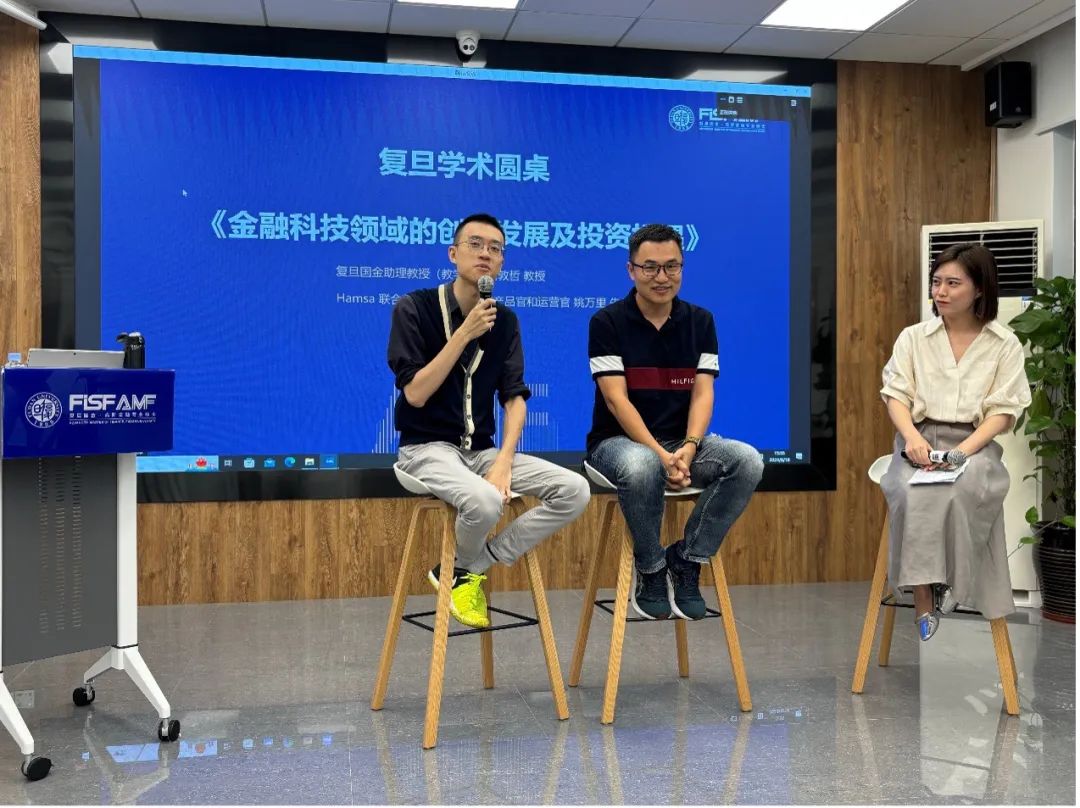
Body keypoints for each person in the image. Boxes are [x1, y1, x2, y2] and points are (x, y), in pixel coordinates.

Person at [387, 212, 590, 629]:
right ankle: (464, 572)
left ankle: (471, 566)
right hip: (425, 449)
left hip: (481, 452)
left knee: (575, 491)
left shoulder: (506, 321)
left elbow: (514, 399)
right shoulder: (413, 308)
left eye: (495, 249)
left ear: (501, 263)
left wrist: (504, 461)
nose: (485, 254)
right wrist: (464, 333)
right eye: (476, 244)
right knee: (485, 501)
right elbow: (416, 394)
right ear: (453, 253)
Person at [585, 223, 764, 620]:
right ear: (631, 270)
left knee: (747, 461)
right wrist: (659, 455)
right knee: (642, 465)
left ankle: (686, 558)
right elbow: (616, 400)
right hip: (616, 444)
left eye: (672, 266)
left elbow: (702, 393)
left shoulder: (701, 321)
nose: (662, 277)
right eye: (650, 267)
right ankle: (651, 568)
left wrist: (689, 447)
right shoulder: (607, 322)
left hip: (680, 445)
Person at [880, 242, 1031, 640]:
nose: (940, 292)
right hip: (919, 436)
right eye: (936, 282)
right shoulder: (913, 338)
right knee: (911, 490)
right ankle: (924, 594)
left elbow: (1004, 411)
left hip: (974, 443)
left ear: (979, 288)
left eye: (952, 283)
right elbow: (895, 396)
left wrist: (962, 452)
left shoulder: (1004, 344)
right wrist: (913, 439)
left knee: (962, 488)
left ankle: (950, 584)